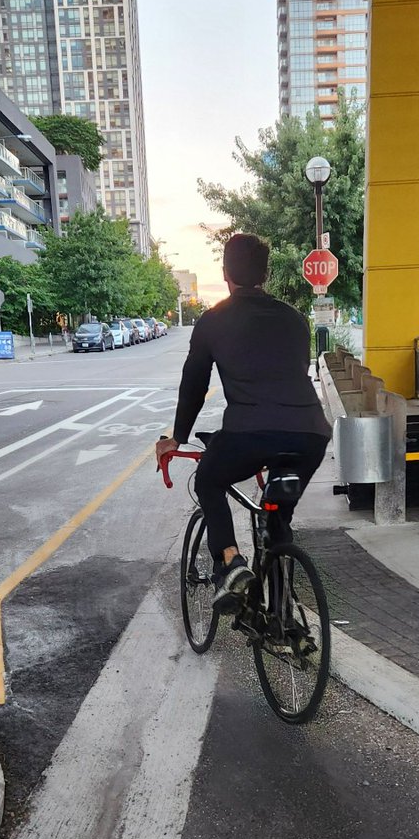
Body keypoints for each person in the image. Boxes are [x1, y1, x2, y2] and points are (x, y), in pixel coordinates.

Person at [155, 233, 332, 613]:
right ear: (265, 274)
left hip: (250, 434)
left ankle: (231, 562)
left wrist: (177, 438)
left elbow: (194, 386)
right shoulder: (294, 319)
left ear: (225, 273)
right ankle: (283, 615)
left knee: (209, 480)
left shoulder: (213, 320)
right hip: (310, 436)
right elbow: (291, 373)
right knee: (277, 516)